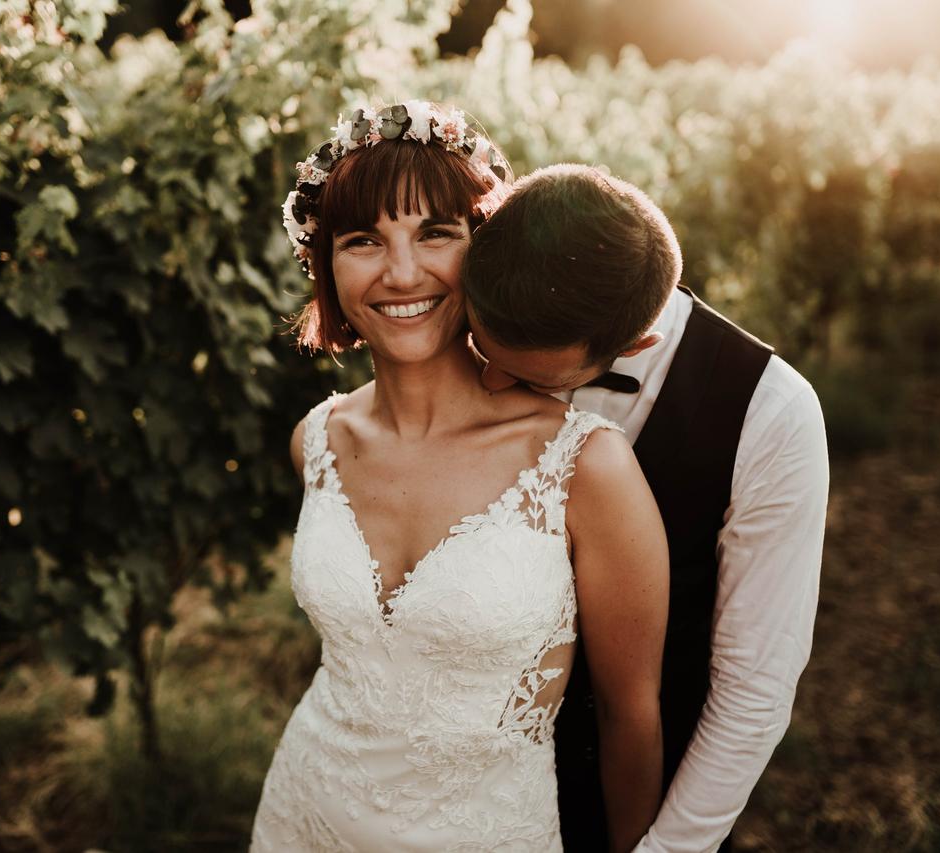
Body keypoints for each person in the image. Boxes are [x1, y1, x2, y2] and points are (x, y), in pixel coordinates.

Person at [250, 104, 671, 852]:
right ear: (325, 266)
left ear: (482, 247)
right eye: (363, 241)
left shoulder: (585, 466)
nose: (402, 271)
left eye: (435, 232)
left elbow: (628, 716)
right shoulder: (315, 440)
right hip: (304, 816)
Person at [462, 163, 830, 852]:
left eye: (525, 375)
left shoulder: (771, 416)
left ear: (634, 346)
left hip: (632, 802)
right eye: (482, 347)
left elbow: (753, 690)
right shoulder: (510, 291)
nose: (486, 379)